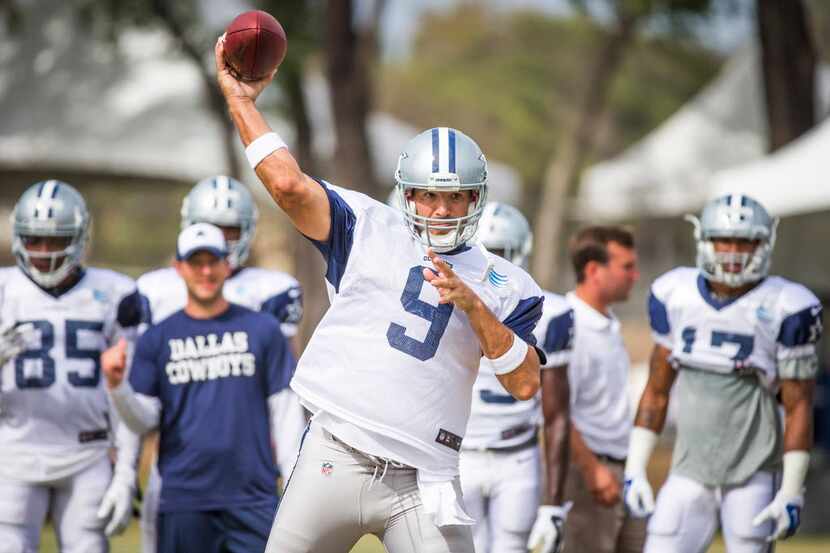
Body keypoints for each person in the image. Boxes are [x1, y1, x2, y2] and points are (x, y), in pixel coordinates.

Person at [214, 35, 547, 553]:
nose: (440, 210)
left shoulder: (505, 282)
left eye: (455, 197)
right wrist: (241, 102)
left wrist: (472, 304)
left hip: (426, 478)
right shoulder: (368, 227)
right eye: (428, 196)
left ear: (476, 199)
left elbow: (526, 384)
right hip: (336, 453)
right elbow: (288, 186)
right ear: (406, 193)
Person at [623, 194, 823, 553]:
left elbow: (799, 405)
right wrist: (635, 467)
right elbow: (656, 391)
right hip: (688, 470)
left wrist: (792, 490)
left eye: (745, 241)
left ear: (765, 244)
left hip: (754, 471)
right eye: (723, 240)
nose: (733, 251)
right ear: (704, 242)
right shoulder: (676, 295)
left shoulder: (786, 306)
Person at [134, 176, 305, 553]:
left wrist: (291, 463)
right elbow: (140, 390)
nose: (221, 241)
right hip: (179, 462)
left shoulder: (273, 289)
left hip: (249, 461)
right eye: (209, 229)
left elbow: (284, 386)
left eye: (229, 230)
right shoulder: (154, 289)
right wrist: (125, 468)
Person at [0, 180, 142, 552]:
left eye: (56, 240)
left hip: (87, 452)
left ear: (79, 238)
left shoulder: (117, 293)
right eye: (34, 240)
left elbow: (127, 391)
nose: (44, 252)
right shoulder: (2, 289)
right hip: (14, 452)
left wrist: (126, 472)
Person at [458, 202, 573, 553]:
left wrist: (552, 504)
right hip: (459, 452)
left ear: (519, 253)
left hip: (517, 456)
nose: (493, 263)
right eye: (485, 252)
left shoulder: (549, 312)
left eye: (501, 253)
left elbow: (556, 414)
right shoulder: (448, 299)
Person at [556, 226, 645, 553]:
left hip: (621, 469)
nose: (635, 276)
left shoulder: (606, 323)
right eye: (626, 267)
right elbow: (557, 411)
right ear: (593, 270)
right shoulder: (569, 325)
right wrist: (593, 471)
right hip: (587, 476)